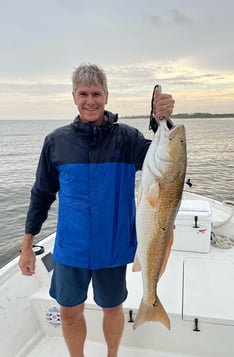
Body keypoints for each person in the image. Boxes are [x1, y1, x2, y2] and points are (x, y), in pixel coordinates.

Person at [19, 63, 175, 357]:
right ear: (74, 96)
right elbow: (41, 194)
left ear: (106, 96)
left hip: (113, 248)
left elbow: (162, 159)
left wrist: (162, 121)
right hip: (71, 248)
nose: (90, 100)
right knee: (69, 313)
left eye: (96, 93)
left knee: (112, 308)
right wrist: (27, 245)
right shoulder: (56, 142)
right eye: (83, 94)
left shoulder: (127, 139)